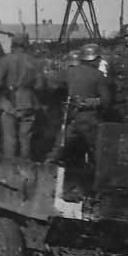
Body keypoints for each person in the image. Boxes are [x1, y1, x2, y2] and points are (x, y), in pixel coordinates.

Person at [48, 43, 112, 171]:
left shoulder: (69, 71)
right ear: (95, 59)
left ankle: (48, 171)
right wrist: (90, 103)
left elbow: (51, 83)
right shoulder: (98, 75)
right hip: (90, 119)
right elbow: (106, 101)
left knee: (59, 149)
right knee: (97, 153)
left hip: (71, 118)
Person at [0, 33, 44, 159]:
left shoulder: (5, 60)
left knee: (9, 139)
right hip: (28, 104)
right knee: (26, 139)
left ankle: (8, 172)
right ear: (26, 45)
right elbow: (39, 86)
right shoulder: (35, 62)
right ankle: (25, 169)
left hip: (9, 104)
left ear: (13, 44)